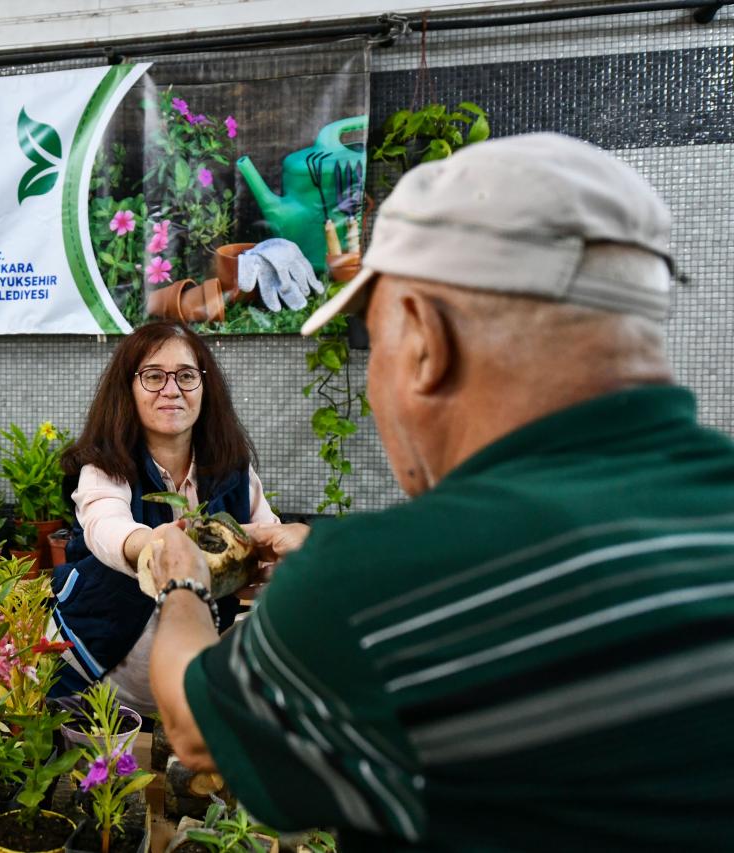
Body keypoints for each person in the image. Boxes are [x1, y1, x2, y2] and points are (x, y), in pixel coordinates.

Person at [147, 133, 734, 850]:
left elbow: (194, 727)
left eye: (375, 341)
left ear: (424, 339)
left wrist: (183, 586)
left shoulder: (373, 584)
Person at [49, 321, 279, 713]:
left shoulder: (233, 472)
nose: (171, 390)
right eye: (154, 376)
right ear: (129, 389)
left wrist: (271, 570)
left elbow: (268, 542)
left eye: (186, 376)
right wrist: (157, 545)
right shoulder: (105, 467)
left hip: (186, 689)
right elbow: (105, 527)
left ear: (205, 388)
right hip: (91, 679)